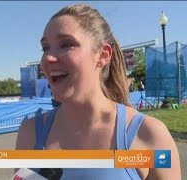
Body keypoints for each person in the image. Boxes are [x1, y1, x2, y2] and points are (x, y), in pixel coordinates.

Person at [16, 4, 181, 180]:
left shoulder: (149, 135)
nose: (48, 57)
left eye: (66, 44)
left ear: (103, 55)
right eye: (45, 48)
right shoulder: (30, 133)